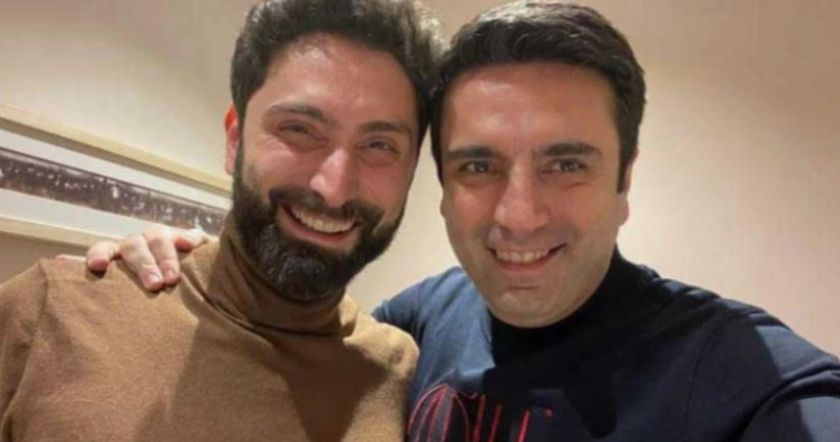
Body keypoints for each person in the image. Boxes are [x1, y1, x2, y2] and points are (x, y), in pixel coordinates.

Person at [90, 1, 840, 441]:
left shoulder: (735, 375)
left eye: (565, 164)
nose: (518, 216)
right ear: (443, 185)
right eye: (479, 166)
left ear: (625, 180)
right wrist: (186, 271)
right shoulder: (419, 322)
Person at [0, 0, 444, 440]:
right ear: (235, 140)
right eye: (299, 129)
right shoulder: (49, 315)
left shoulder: (401, 377)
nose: (334, 188)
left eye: (379, 146)